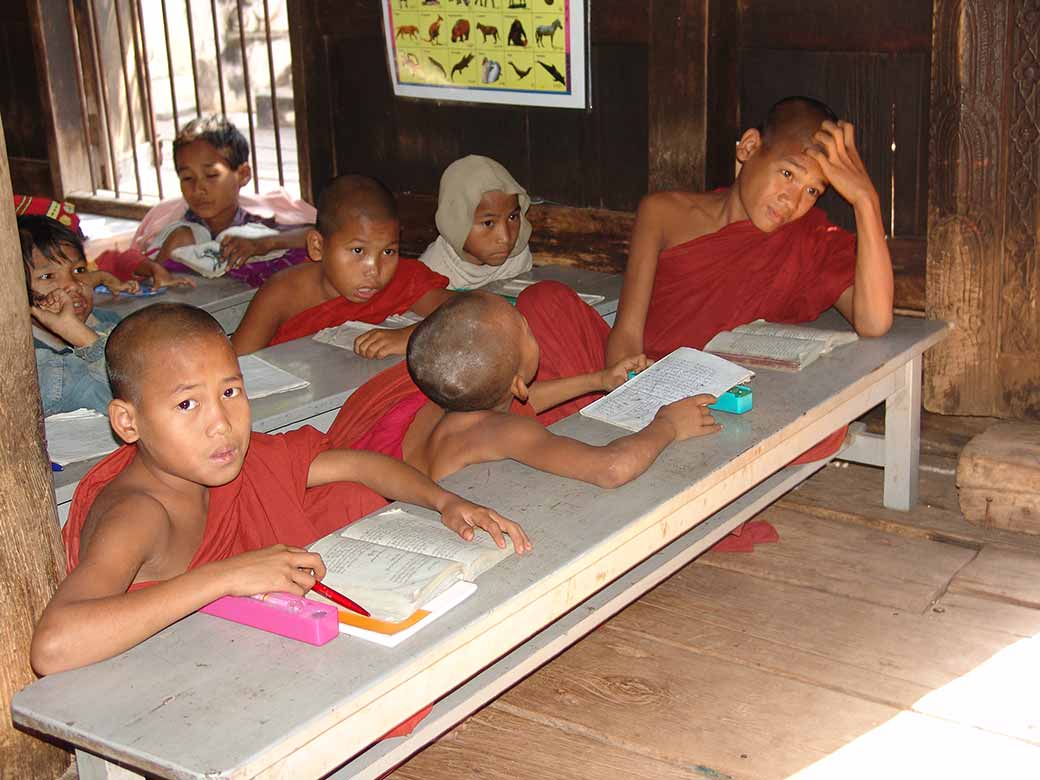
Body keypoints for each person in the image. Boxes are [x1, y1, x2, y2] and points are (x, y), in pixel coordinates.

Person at [31, 303, 529, 676]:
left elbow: (359, 464)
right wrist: (225, 576)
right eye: (187, 405)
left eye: (230, 392)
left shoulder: (223, 463)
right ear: (128, 422)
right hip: (164, 678)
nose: (221, 424)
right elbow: (54, 646)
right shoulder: (137, 513)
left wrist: (447, 502)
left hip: (230, 645)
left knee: (347, 497)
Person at [524, 96, 895, 457]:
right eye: (787, 174)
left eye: (812, 191)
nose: (792, 200)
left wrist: (866, 201)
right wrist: (634, 392)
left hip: (713, 402)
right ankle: (628, 446)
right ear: (750, 147)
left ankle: (601, 449)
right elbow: (628, 331)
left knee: (823, 431)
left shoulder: (809, 240)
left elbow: (875, 321)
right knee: (544, 302)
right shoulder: (664, 213)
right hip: (638, 377)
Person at [325, 292, 721, 486]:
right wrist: (667, 425)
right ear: (516, 381)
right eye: (528, 331)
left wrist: (597, 381)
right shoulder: (502, 432)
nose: (533, 330)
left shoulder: (439, 401)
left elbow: (521, 402)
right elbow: (610, 469)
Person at [231, 174, 452, 357]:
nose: (373, 270)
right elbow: (236, 366)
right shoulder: (282, 294)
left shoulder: (404, 278)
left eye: (388, 251)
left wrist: (414, 336)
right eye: (358, 251)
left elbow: (473, 309)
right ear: (317, 247)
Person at [95, 115, 309, 288]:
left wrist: (266, 243)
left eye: (211, 176)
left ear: (243, 174)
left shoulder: (254, 229)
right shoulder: (177, 233)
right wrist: (155, 267)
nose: (199, 189)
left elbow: (314, 235)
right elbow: (125, 262)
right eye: (187, 178)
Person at [21, 215, 132, 415]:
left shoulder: (107, 321)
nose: (73, 284)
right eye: (47, 276)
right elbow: (134, 403)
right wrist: (81, 337)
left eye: (79, 270)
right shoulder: (32, 362)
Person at [418, 155, 533, 290]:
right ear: (455, 223)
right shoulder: (431, 272)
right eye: (488, 223)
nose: (505, 238)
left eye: (513, 217)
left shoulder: (517, 256)